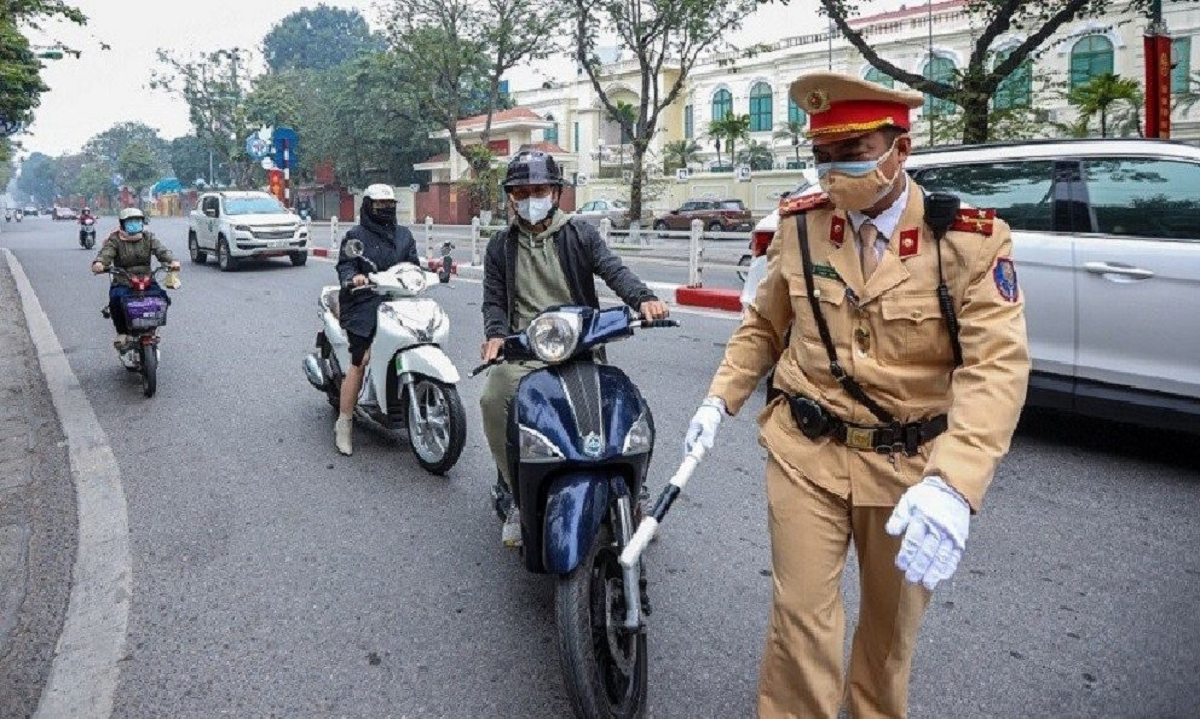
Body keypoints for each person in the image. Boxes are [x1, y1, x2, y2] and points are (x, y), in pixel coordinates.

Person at [683, 72, 1030, 718]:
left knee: (887, 637)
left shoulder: (970, 242)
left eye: (851, 152)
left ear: (901, 149)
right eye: (822, 157)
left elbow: (996, 369)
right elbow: (764, 323)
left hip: (908, 469)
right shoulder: (803, 225)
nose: (834, 173)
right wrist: (718, 398)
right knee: (801, 621)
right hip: (805, 450)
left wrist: (956, 483)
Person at [480, 149, 669, 547]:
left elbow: (614, 270)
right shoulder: (501, 246)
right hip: (527, 351)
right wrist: (496, 335)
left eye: (540, 189)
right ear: (511, 197)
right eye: (522, 191)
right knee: (492, 396)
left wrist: (643, 299)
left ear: (556, 193)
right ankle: (516, 494)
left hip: (581, 345)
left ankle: (636, 491)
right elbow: (494, 301)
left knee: (627, 409)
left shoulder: (579, 233)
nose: (532, 198)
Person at [333, 183, 421, 456]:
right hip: (364, 301)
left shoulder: (404, 235)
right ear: (368, 206)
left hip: (397, 300)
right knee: (361, 360)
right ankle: (344, 421)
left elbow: (413, 264)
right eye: (380, 205)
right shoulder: (355, 236)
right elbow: (346, 265)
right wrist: (353, 279)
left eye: (389, 205)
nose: (385, 209)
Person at [91, 207, 180, 356]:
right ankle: (122, 332)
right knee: (116, 299)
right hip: (123, 280)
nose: (134, 224)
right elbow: (106, 253)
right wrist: (100, 263)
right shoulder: (115, 239)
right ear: (123, 224)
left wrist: (172, 261)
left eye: (137, 221)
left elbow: (161, 251)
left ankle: (152, 329)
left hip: (146, 278)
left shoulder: (148, 237)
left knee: (161, 297)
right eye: (130, 221)